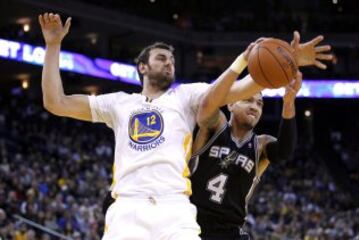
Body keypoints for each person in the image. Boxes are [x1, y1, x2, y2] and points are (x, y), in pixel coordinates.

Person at [38, 12, 265, 240]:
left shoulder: (185, 96)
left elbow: (239, 89)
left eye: (172, 60)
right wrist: (53, 45)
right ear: (143, 67)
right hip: (129, 205)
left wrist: (272, 64)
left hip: (174, 206)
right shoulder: (118, 102)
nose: (169, 63)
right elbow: (56, 102)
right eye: (161, 58)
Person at [189, 30, 332, 239]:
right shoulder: (214, 126)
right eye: (248, 100)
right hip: (191, 227)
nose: (255, 107)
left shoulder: (260, 145)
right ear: (231, 104)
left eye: (260, 104)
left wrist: (289, 101)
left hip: (231, 232)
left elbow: (284, 151)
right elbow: (208, 105)